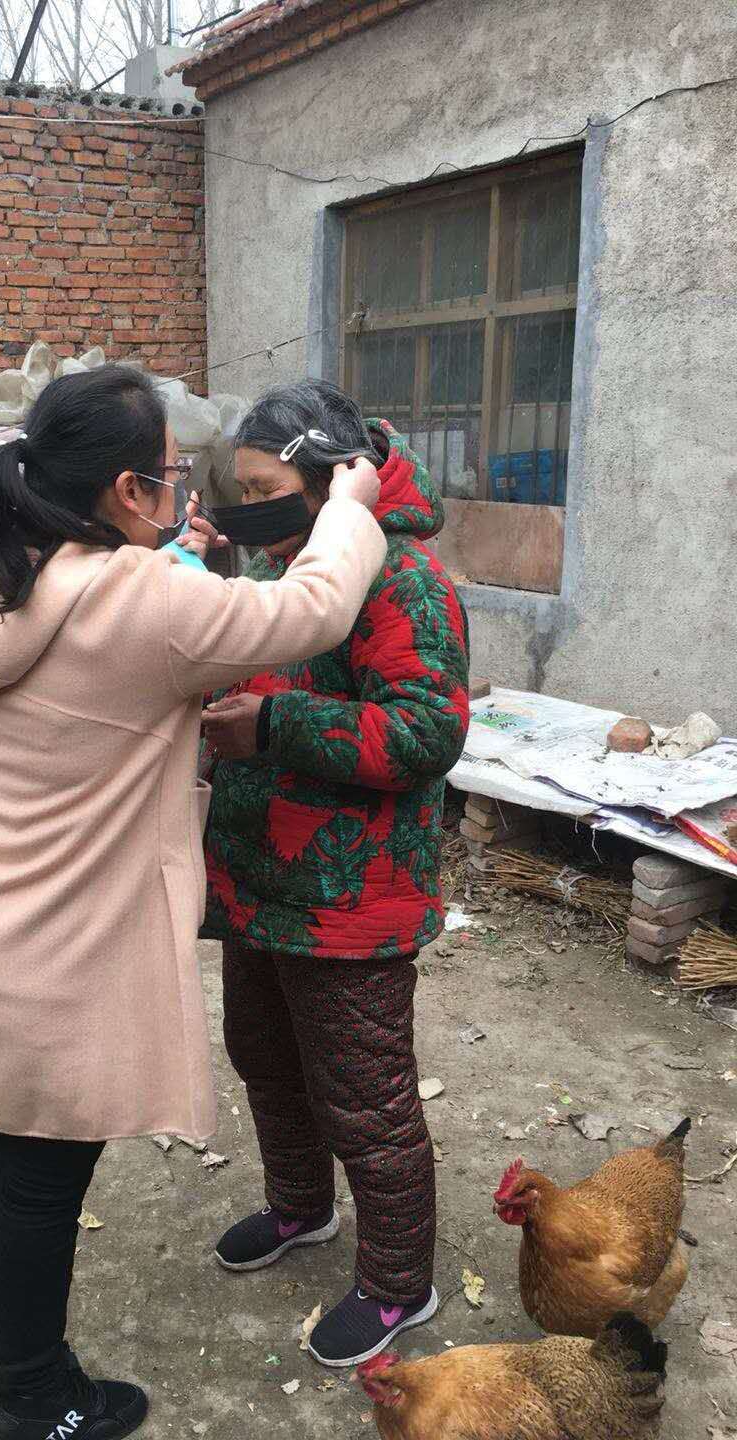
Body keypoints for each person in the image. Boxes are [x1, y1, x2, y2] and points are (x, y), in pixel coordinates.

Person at [0, 364, 389, 1440]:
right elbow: (310, 609)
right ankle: (34, 1393)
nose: (182, 487)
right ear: (127, 490)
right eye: (168, 472)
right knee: (42, 1172)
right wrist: (350, 510)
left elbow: (102, 622)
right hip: (53, 958)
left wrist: (175, 563)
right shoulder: (147, 606)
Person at [201, 380, 470, 1369]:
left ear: (325, 480)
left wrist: (273, 723)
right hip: (260, 879)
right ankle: (299, 1207)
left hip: (351, 898)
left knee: (367, 1099)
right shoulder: (285, 560)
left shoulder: (402, 580)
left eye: (266, 489)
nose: (252, 508)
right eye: (242, 490)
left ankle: (399, 1285)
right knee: (265, 1057)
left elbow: (427, 733)